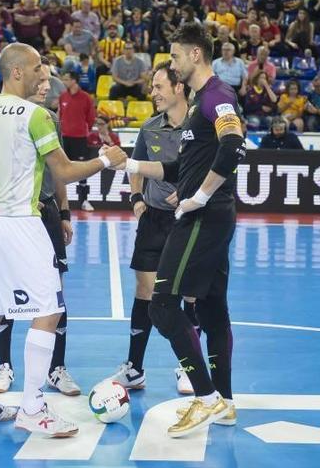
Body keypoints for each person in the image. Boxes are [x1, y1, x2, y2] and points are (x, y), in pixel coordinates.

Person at [0, 42, 125, 436]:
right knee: (49, 310)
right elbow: (61, 172)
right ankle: (32, 407)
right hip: (20, 224)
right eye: (36, 71)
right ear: (16, 72)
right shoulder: (37, 115)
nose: (42, 78)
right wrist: (104, 161)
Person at [110, 23, 242, 437]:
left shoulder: (217, 96)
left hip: (204, 217)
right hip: (211, 214)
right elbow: (176, 168)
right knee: (214, 310)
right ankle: (225, 403)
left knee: (163, 305)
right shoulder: (201, 102)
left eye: (176, 56)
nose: (173, 62)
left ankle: (204, 399)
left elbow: (234, 145)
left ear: (195, 55)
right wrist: (130, 166)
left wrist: (199, 196)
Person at [103, 61, 201, 394]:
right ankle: (135, 368)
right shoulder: (150, 128)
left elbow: (220, 167)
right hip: (155, 219)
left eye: (159, 86)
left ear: (179, 87)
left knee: (189, 291)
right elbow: (138, 165)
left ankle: (189, 366)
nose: (153, 93)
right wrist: (136, 199)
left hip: (190, 219)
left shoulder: (202, 124)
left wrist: (192, 192)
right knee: (144, 292)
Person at [0, 57, 80, 398]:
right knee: (3, 291)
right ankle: (4, 365)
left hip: (47, 215)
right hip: (13, 215)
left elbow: (59, 169)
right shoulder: (0, 118)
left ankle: (56, 369)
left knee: (55, 292)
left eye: (48, 83)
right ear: (24, 78)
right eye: (40, 81)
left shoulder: (49, 119)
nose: (45, 87)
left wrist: (66, 211)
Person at [58, 70, 97, 211]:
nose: (64, 81)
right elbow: (60, 116)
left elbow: (91, 119)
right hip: (64, 139)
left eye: (66, 78)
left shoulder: (86, 98)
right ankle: (60, 203)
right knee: (59, 171)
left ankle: (84, 201)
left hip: (80, 139)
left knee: (82, 171)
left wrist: (82, 129)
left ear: (74, 80)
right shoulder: (63, 97)